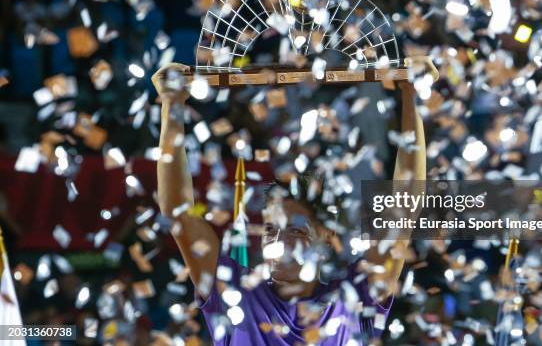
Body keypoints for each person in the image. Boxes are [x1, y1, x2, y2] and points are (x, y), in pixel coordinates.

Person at [152, 63, 426, 345]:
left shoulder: (354, 295)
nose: (279, 244)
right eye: (272, 230)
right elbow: (178, 215)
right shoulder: (233, 289)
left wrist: (411, 94)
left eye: (297, 231)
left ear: (327, 236)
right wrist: (172, 104)